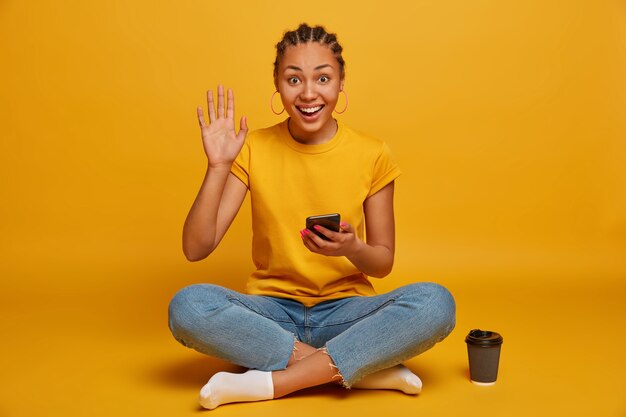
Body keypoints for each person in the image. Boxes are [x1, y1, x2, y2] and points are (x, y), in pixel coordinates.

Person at [168, 23, 456, 410]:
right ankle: (359, 369)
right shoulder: (253, 148)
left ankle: (275, 383)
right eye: (293, 79)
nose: (308, 93)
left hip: (347, 312)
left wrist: (353, 247)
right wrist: (218, 166)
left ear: (340, 85)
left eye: (323, 78)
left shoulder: (373, 152)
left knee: (436, 303)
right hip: (272, 315)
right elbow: (195, 248)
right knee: (187, 306)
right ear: (277, 84)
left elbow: (383, 262)